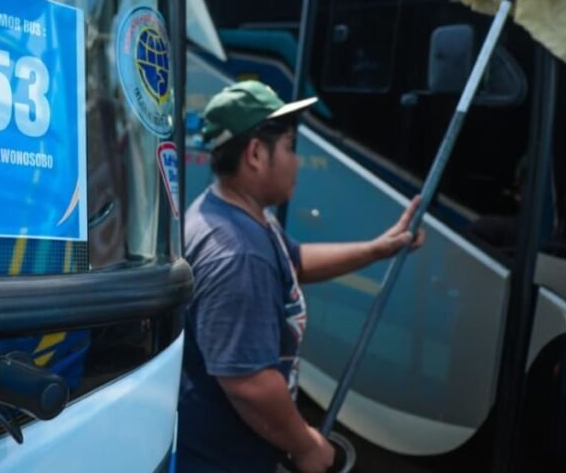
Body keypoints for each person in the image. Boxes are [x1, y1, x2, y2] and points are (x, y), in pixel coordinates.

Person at [178, 81, 426, 473]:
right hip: (224, 459)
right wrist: (305, 444)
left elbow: (294, 261)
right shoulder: (238, 253)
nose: (297, 161)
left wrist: (380, 248)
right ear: (256, 154)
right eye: (290, 147)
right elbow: (250, 382)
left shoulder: (239, 213)